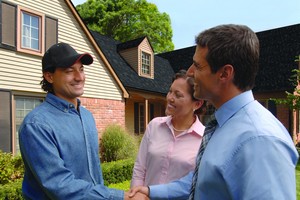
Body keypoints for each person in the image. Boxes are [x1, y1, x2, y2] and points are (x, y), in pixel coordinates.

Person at [129, 24, 299, 199]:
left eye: (197, 66)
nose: (189, 72)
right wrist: (150, 191)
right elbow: (200, 180)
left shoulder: (260, 139)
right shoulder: (221, 126)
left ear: (224, 74)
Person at [19, 42, 148, 200]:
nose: (79, 77)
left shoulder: (86, 116)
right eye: (69, 71)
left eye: (81, 69)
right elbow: (60, 185)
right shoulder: (36, 125)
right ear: (49, 76)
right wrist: (121, 197)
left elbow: (95, 174)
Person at [131, 70, 205, 188]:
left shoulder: (204, 140)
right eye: (170, 92)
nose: (170, 98)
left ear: (197, 104)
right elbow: (140, 169)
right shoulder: (154, 126)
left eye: (178, 95)